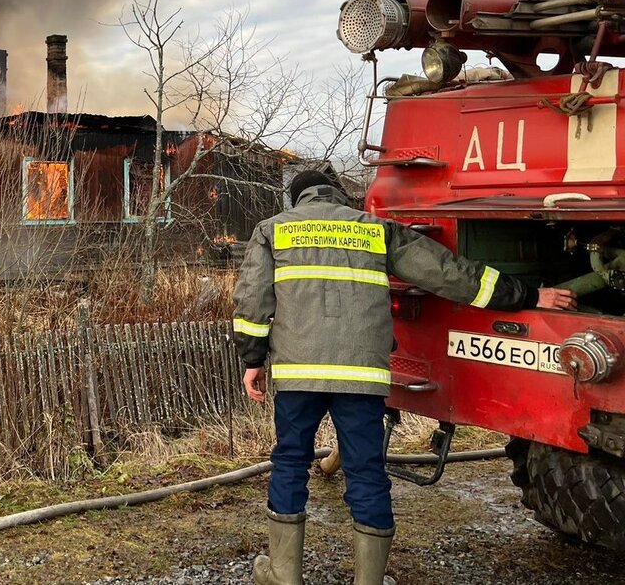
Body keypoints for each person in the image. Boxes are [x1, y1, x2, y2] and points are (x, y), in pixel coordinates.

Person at [233, 170, 576, 585]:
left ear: (297, 199)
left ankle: (284, 576)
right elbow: (452, 274)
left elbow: (253, 300)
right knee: (365, 468)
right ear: (341, 197)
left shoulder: (273, 231)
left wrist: (253, 360)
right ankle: (369, 581)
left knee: (290, 461)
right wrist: (530, 295)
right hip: (362, 376)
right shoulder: (377, 231)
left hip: (297, 372)